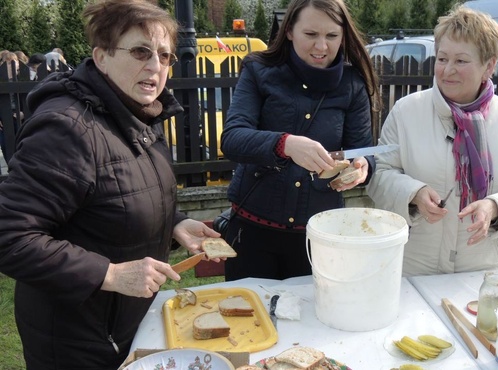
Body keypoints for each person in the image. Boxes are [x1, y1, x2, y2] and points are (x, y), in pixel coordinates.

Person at [0, 1, 221, 369]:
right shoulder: (68, 129)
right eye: (140, 51)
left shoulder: (139, 112)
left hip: (123, 326)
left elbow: (117, 199)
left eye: (165, 56)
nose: (155, 66)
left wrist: (176, 225)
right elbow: (9, 235)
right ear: (101, 57)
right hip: (77, 340)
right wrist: (110, 273)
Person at [367, 5, 498, 276]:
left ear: (489, 66)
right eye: (442, 59)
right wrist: (414, 194)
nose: (448, 70)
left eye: (461, 61)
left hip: (483, 268)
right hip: (414, 266)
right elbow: (379, 176)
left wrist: (495, 207)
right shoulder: (406, 111)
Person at [220, 0, 381, 281]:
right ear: (290, 31)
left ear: (344, 36)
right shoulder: (258, 70)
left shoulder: (353, 83)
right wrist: (286, 144)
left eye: (332, 36)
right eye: (311, 35)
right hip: (252, 232)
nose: (321, 47)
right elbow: (232, 138)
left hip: (319, 235)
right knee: (251, 320)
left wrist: (362, 167)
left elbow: (362, 151)